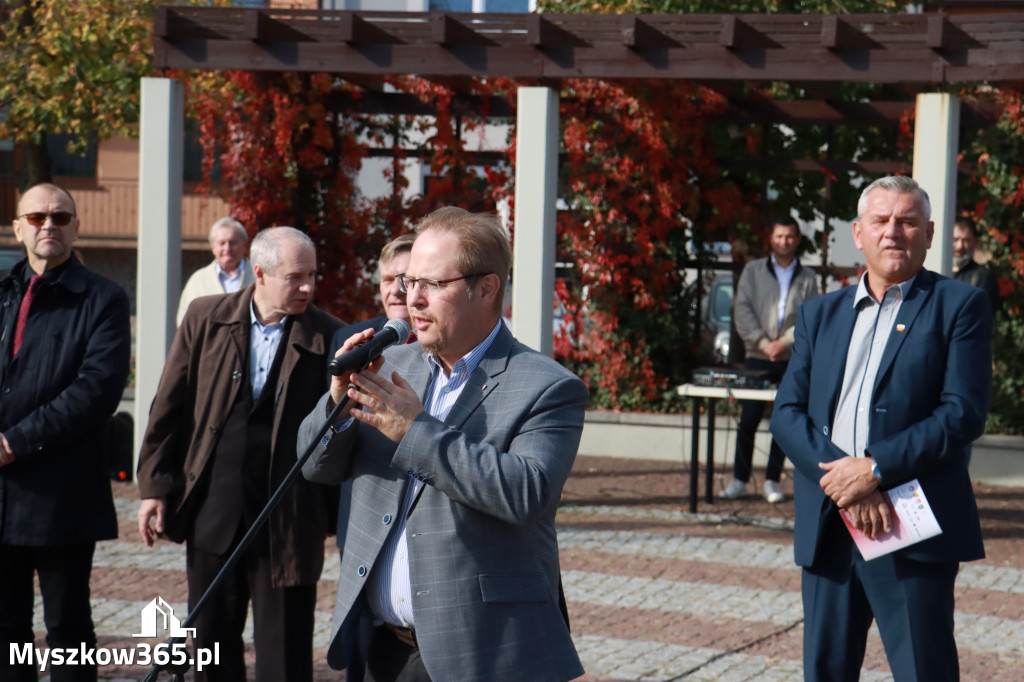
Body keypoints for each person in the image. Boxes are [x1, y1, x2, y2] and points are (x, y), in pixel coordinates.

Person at [300, 207, 587, 682]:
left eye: (432, 285)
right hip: (380, 650)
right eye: (409, 282)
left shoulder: (548, 386)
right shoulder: (390, 364)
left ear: (487, 288)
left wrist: (415, 431)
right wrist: (336, 407)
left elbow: (525, 493)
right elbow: (315, 468)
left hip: (481, 654)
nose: (412, 299)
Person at [770, 175, 992, 681]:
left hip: (911, 526)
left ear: (930, 233)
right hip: (830, 524)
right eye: (881, 221)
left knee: (923, 670)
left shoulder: (959, 306)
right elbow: (787, 413)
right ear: (859, 232)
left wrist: (874, 469)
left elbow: (962, 413)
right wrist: (845, 485)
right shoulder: (819, 314)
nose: (894, 231)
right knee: (825, 671)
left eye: (908, 221)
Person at [137, 227, 342, 682]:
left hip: (287, 521)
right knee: (210, 651)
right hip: (214, 512)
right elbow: (169, 402)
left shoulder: (329, 335)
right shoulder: (205, 316)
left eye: (313, 275)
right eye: (295, 277)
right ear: (261, 273)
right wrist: (154, 487)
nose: (308, 287)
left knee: (285, 659)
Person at [0, 183, 132, 682]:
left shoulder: (103, 299)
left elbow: (96, 390)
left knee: (68, 632)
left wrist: (13, 442)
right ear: (18, 228)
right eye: (36, 218)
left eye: (60, 217)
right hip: (1, 494)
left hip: (63, 494)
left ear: (76, 227)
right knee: (6, 628)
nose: (48, 225)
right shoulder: (4, 290)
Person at [327, 231, 415, 682]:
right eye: (386, 279)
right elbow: (323, 445)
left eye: (406, 278)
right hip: (361, 520)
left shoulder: (449, 347)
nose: (395, 290)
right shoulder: (355, 342)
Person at [723, 216, 819, 503]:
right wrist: (764, 343)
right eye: (779, 236)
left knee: (784, 421)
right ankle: (740, 479)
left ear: (797, 239)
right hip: (757, 355)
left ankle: (771, 481)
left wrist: (784, 343)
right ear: (771, 238)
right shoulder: (753, 271)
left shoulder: (808, 278)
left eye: (789, 237)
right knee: (748, 420)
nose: (784, 242)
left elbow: (808, 317)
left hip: (790, 358)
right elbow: (742, 311)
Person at [176, 217, 255, 324]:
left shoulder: (259, 276)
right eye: (222, 243)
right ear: (213, 247)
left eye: (233, 242)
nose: (227, 248)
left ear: (244, 245)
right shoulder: (198, 280)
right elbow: (184, 321)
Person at [953, 217, 1001, 313]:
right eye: (955, 239)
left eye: (966, 240)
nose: (960, 246)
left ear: (975, 242)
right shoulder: (932, 272)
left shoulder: (982, 276)